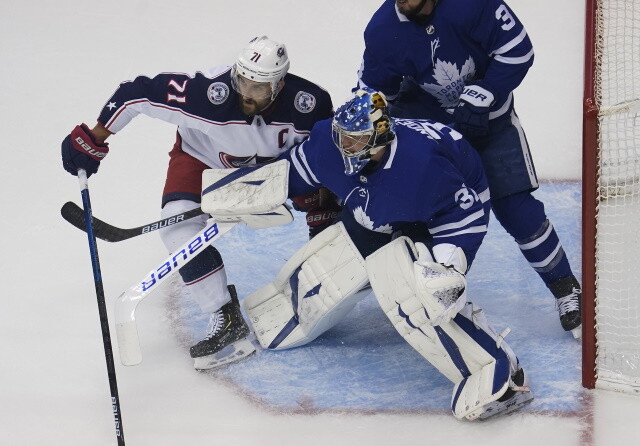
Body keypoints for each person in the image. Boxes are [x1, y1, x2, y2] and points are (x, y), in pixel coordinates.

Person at [235, 89, 533, 420]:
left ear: (380, 138)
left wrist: (449, 265)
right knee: (336, 263)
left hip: (437, 216)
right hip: (378, 202)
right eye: (342, 136)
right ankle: (291, 305)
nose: (343, 146)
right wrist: (248, 192)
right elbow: (293, 171)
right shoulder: (327, 141)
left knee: (420, 296)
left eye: (354, 140)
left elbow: (463, 216)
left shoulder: (423, 167)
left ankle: (496, 367)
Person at [61, 36, 335, 370]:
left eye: (258, 88)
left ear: (278, 86)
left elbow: (328, 150)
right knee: (177, 227)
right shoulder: (206, 96)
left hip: (275, 166)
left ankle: (333, 262)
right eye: (242, 81)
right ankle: (224, 315)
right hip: (202, 157)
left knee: (325, 200)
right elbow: (136, 93)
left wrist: (323, 198)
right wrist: (96, 137)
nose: (246, 93)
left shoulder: (308, 103)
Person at [355, 0, 582, 337]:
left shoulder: (473, 3)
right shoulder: (382, 29)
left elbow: (518, 50)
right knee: (416, 218)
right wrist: (373, 128)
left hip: (490, 126)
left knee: (518, 210)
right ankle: (425, 297)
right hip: (430, 137)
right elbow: (372, 92)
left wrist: (488, 91)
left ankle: (566, 288)